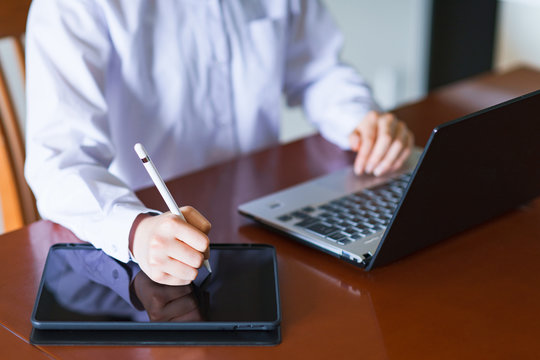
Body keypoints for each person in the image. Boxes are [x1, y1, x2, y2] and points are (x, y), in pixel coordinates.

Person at [25, 0, 414, 285]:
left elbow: (317, 70)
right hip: (150, 244)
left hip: (265, 221)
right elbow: (60, 159)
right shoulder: (73, 7)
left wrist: (360, 119)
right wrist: (134, 229)